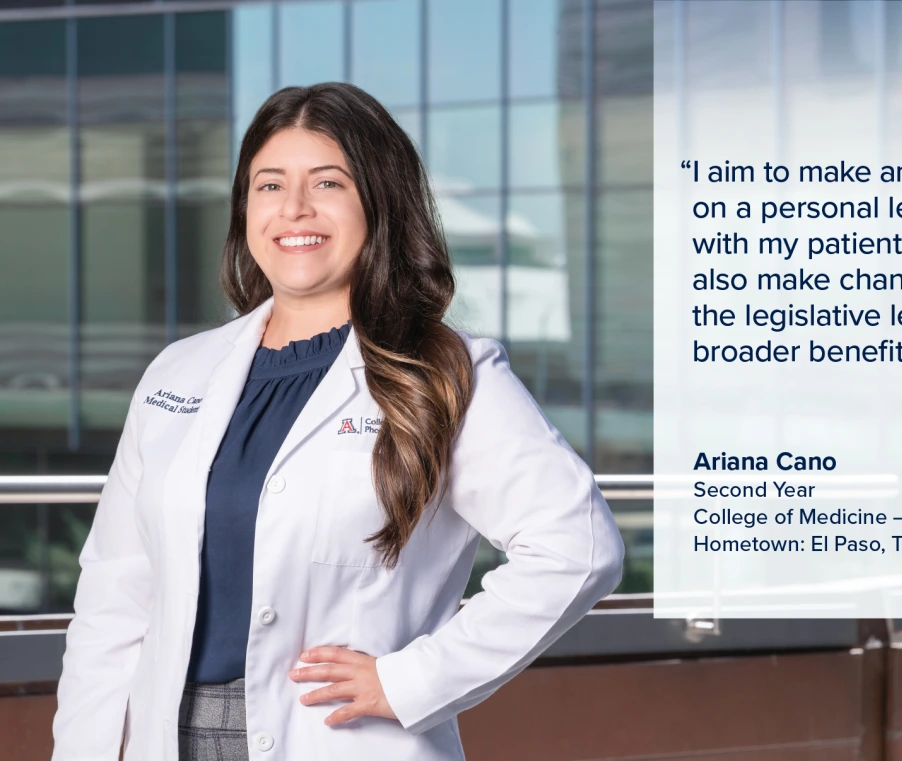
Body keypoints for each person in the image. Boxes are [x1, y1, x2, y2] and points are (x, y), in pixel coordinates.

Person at [51, 82, 625, 761]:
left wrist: (409, 679)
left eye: (328, 182)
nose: (294, 208)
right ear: (245, 208)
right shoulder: (178, 372)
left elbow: (578, 546)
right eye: (269, 185)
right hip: (161, 734)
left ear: (378, 203)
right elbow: (114, 597)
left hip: (335, 737)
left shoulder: (444, 371)